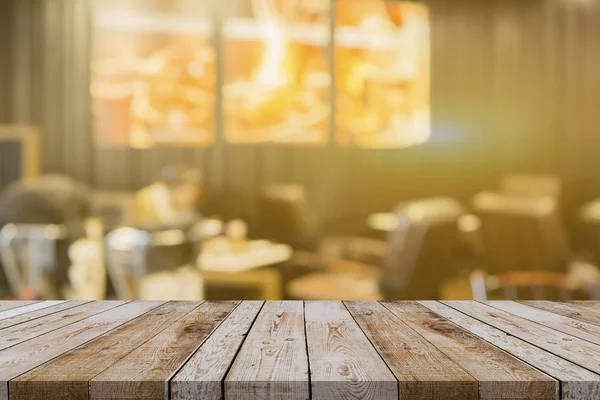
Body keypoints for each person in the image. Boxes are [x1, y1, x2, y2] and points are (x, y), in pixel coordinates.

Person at [127, 165, 204, 229]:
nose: (193, 199)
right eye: (190, 194)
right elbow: (149, 230)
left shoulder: (185, 206)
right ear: (176, 189)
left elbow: (194, 221)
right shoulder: (148, 199)